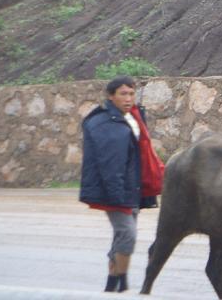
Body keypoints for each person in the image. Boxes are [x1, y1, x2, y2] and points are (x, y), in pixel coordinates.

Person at [79, 76, 164, 293]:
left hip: (132, 188)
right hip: (116, 191)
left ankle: (111, 284)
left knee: (121, 235)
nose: (128, 98)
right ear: (111, 96)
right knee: (128, 234)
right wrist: (117, 197)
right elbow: (110, 165)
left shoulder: (132, 118)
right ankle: (122, 283)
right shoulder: (105, 124)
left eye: (131, 94)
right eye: (123, 94)